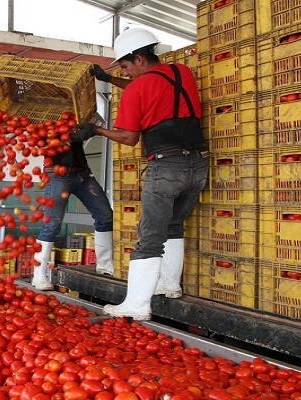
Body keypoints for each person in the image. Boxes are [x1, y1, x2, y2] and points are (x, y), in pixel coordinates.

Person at [78, 28, 209, 320]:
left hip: (166, 167)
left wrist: (97, 130)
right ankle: (169, 285)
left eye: (124, 66)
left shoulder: (138, 89)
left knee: (149, 237)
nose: (126, 72)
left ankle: (136, 304)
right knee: (174, 226)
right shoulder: (181, 73)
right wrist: (110, 79)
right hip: (197, 165)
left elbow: (128, 137)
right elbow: (152, 86)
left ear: (137, 59)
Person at [0, 109, 114, 290]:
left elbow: (98, 120)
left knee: (105, 215)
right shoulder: (39, 122)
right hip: (57, 177)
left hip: (83, 175)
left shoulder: (72, 113)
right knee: (52, 224)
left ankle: (105, 267)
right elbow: (12, 125)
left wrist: (90, 124)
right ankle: (39, 275)